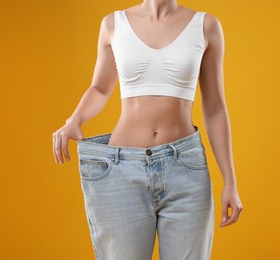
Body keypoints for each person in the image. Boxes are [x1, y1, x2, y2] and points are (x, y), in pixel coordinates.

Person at [52, 1, 243, 259]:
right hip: (121, 171)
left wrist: (230, 181)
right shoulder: (113, 24)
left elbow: (215, 108)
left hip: (185, 170)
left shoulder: (206, 26)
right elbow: (99, 88)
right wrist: (74, 120)